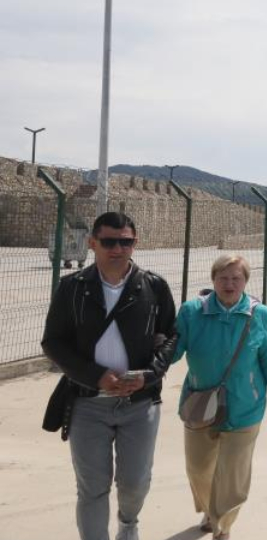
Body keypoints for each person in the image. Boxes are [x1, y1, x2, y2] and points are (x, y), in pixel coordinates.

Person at [41, 212, 178, 540]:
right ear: (92, 243)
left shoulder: (154, 286)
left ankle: (128, 523)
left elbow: (171, 336)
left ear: (135, 243)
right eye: (108, 241)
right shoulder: (72, 287)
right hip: (87, 403)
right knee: (92, 487)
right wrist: (95, 376)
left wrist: (149, 375)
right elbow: (53, 342)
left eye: (125, 241)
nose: (117, 248)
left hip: (139, 404)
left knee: (135, 484)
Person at [172, 255, 267, 540]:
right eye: (223, 278)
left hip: (245, 406)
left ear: (245, 282)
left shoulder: (258, 314)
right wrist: (148, 366)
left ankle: (222, 525)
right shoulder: (191, 312)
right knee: (198, 467)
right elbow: (172, 350)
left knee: (233, 475)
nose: (229, 284)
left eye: (236, 278)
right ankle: (211, 511)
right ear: (213, 280)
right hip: (200, 404)